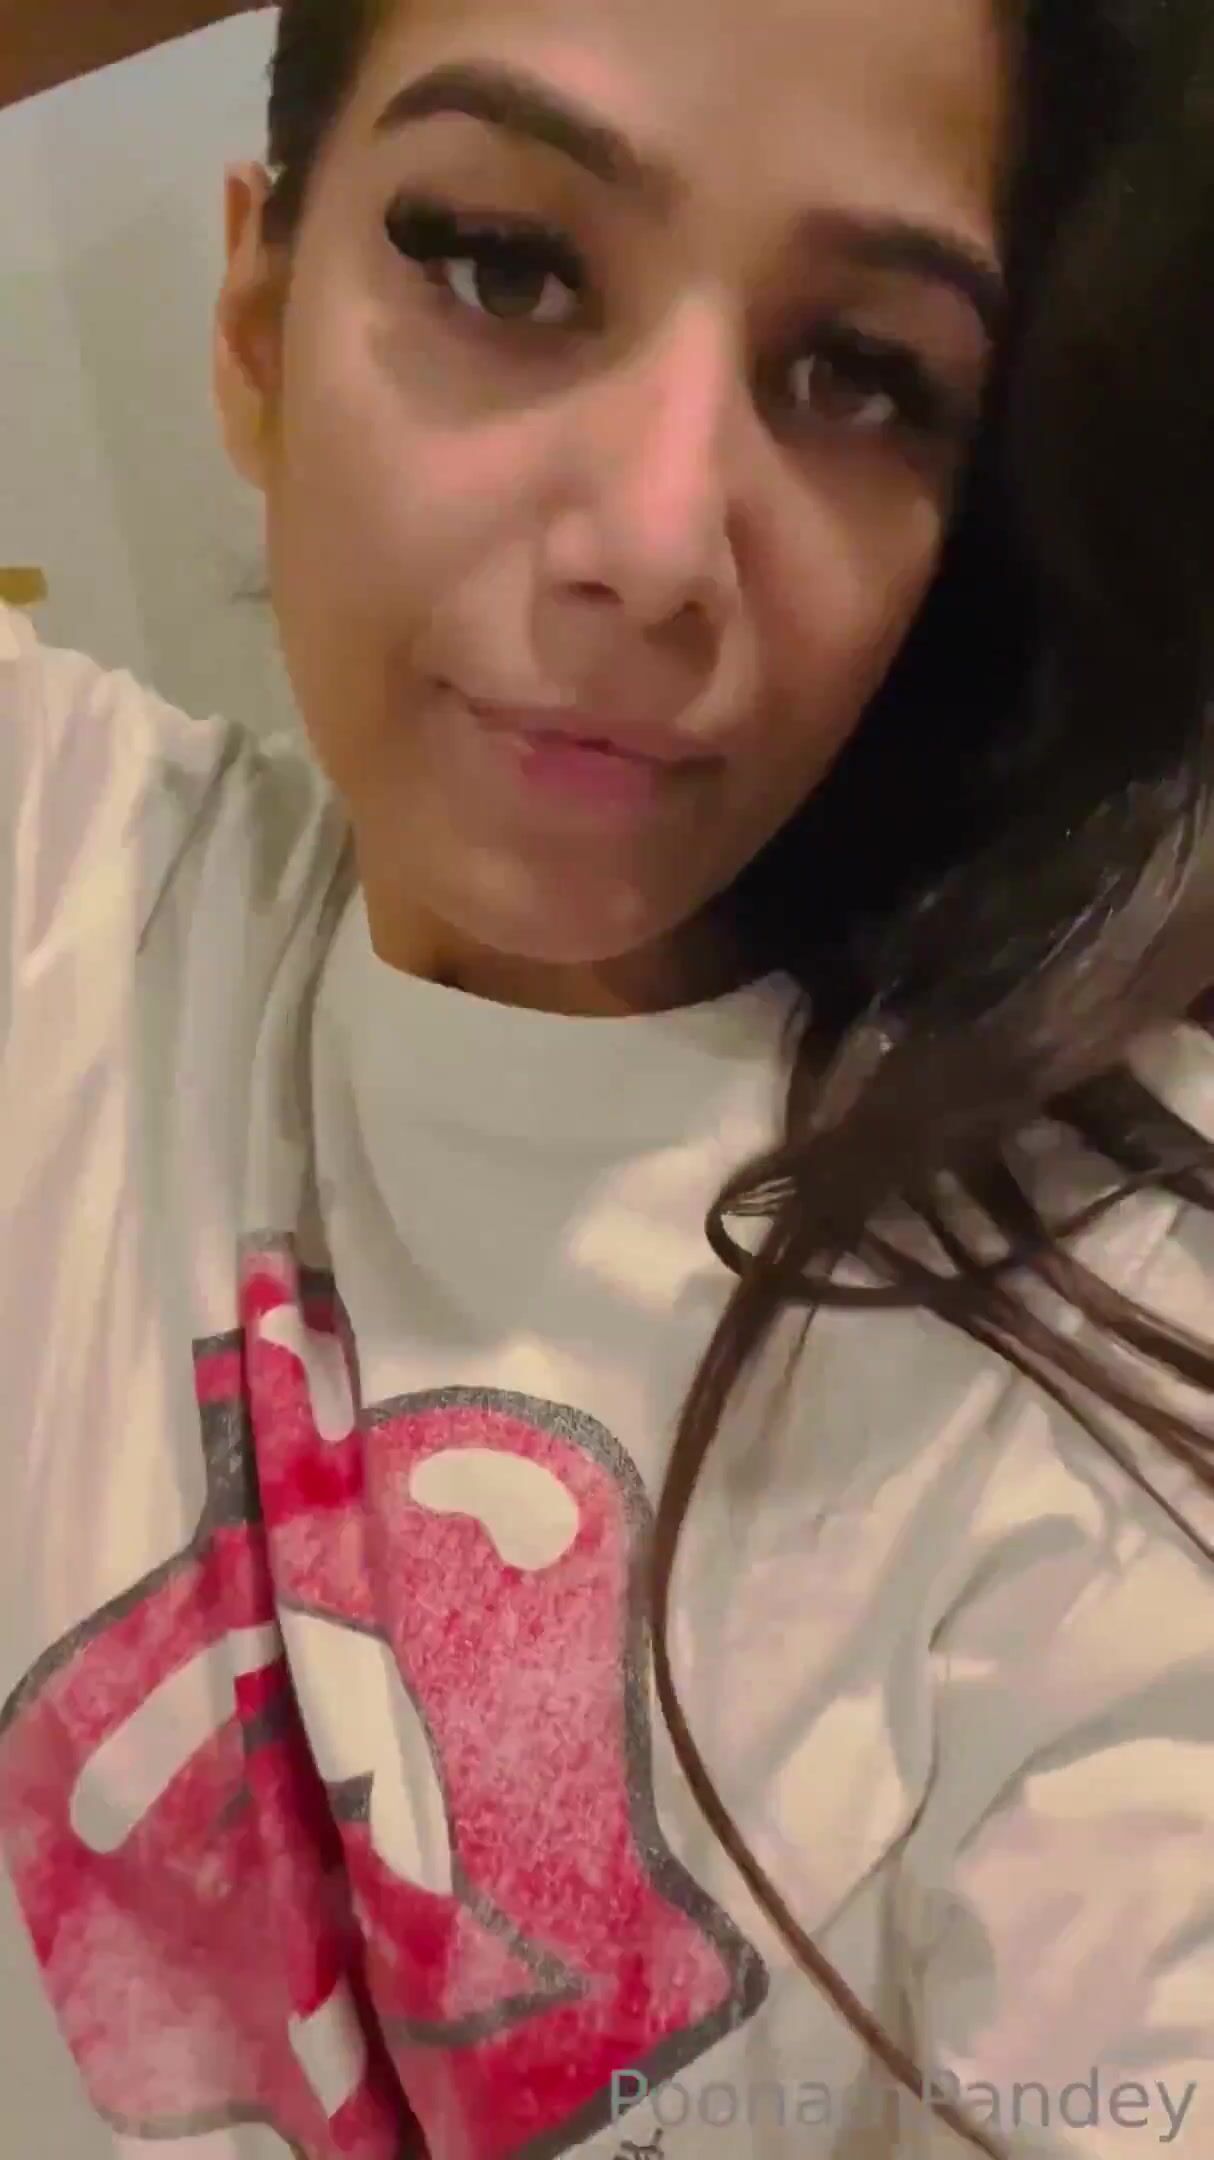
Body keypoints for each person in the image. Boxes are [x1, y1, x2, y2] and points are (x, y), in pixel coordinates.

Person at [1, 0, 1212, 2155]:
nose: (655, 544)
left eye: (861, 375)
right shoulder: (61, 882)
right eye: (503, 263)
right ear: (256, 329)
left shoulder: (1109, 1333)